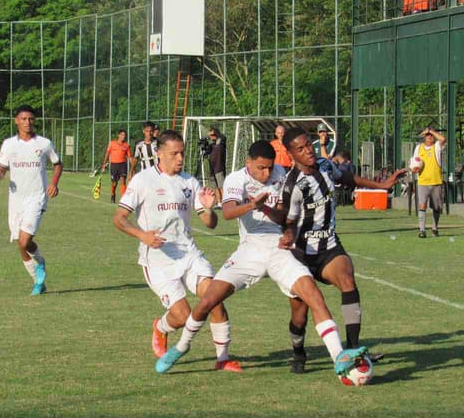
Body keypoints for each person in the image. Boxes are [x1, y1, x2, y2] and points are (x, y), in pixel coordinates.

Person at [155, 139, 368, 378]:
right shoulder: (237, 179)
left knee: (313, 295)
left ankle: (339, 356)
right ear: (249, 163)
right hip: (249, 250)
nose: (266, 173)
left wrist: (272, 213)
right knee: (208, 301)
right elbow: (227, 213)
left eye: (270, 167)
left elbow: (284, 217)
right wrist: (251, 205)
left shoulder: (284, 175)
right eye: (261, 168)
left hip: (279, 250)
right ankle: (181, 347)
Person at [113, 130, 241, 372]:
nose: (180, 158)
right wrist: (143, 235)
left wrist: (209, 209)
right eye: (174, 153)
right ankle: (161, 328)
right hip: (158, 261)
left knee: (215, 299)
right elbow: (119, 218)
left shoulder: (189, 182)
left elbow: (209, 223)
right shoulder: (142, 180)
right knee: (182, 316)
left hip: (189, 254)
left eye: (182, 152)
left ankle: (223, 359)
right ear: (159, 154)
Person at [279, 127, 405, 373]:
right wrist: (287, 234)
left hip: (328, 246)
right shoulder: (293, 184)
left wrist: (382, 185)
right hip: (301, 254)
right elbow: (288, 220)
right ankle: (298, 353)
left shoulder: (326, 165)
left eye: (309, 145)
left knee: (348, 280)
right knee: (300, 314)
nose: (308, 151)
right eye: (300, 149)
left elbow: (348, 179)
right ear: (290, 153)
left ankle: (353, 350)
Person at [0, 105, 62, 296]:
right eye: (23, 119)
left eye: (30, 119)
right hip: (16, 200)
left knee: (24, 241)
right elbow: (3, 166)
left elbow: (57, 164)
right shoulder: (9, 144)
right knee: (20, 243)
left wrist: (54, 183)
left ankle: (38, 269)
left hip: (37, 198)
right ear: (16, 121)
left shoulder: (44, 143)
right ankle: (38, 278)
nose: (27, 122)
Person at [411, 126, 446, 238]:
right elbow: (414, 163)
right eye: (427, 135)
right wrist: (414, 169)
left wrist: (431, 130)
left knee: (436, 207)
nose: (430, 137)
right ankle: (422, 230)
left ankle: (435, 228)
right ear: (424, 137)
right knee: (422, 205)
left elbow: (443, 139)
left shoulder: (436, 147)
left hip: (436, 181)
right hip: (423, 182)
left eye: (431, 135)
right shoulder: (418, 148)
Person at [101, 129, 133, 203]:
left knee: (123, 181)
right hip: (114, 165)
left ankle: (124, 199)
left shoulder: (126, 145)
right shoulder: (112, 143)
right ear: (118, 135)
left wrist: (133, 166)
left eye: (124, 135)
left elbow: (130, 157)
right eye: (122, 135)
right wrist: (104, 164)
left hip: (122, 165)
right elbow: (107, 154)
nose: (123, 136)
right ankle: (113, 194)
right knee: (114, 183)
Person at [207, 127, 227, 207]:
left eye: (212, 135)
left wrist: (215, 133)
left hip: (219, 168)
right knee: (215, 187)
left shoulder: (221, 143)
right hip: (212, 168)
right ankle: (219, 203)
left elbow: (222, 137)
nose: (211, 137)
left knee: (221, 186)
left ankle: (224, 202)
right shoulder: (212, 145)